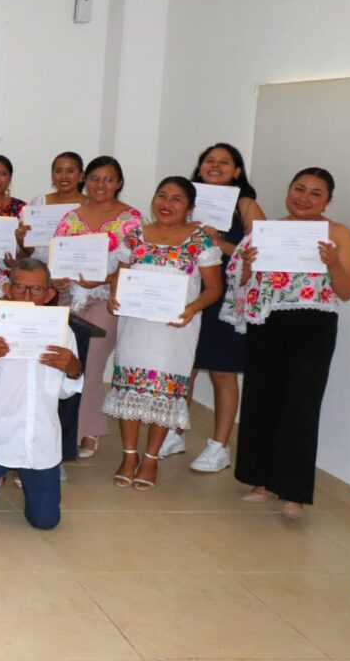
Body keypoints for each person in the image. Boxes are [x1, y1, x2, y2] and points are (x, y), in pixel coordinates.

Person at [223, 167, 350, 518]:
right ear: (288, 190)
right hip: (266, 320)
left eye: (315, 193)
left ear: (328, 200)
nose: (305, 197)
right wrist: (248, 266)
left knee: (302, 404)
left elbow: (347, 291)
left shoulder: (338, 233)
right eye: (299, 188)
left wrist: (331, 265)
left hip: (314, 323)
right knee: (261, 399)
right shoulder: (266, 231)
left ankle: (294, 491)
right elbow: (240, 282)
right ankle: (260, 480)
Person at [105, 177, 222, 491]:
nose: (166, 204)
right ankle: (129, 456)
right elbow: (121, 273)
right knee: (129, 387)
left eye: (176, 199)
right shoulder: (134, 236)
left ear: (189, 207)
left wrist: (193, 307)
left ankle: (151, 458)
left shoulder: (201, 242)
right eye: (161, 196)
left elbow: (214, 288)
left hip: (176, 328)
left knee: (164, 393)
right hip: (136, 325)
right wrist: (115, 294)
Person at [0, 259, 83, 529]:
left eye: (36, 289)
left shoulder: (64, 333)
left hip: (40, 442)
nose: (27, 296)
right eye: (20, 287)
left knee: (46, 521)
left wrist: (74, 370)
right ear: (7, 289)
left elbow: (63, 393)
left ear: (50, 294)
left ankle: (30, 481)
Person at [182, 143, 266, 472]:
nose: (215, 166)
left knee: (222, 372)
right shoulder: (185, 199)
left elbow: (258, 256)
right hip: (188, 292)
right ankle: (174, 431)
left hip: (228, 298)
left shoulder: (245, 205)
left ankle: (219, 445)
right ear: (200, 166)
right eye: (209, 160)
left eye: (224, 162)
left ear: (237, 171)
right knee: (183, 367)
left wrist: (216, 240)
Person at [52, 156, 143, 459]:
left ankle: (87, 428)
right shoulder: (70, 217)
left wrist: (102, 279)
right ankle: (60, 422)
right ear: (84, 180)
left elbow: (139, 266)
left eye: (108, 179)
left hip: (108, 298)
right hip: (69, 297)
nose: (100, 185)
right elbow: (57, 260)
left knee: (89, 360)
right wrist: (60, 280)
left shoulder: (131, 219)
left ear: (118, 183)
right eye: (94, 178)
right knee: (62, 357)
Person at [16, 151, 86, 262]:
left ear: (81, 175)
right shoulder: (38, 203)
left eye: (70, 171)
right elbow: (30, 252)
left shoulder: (90, 205)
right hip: (40, 271)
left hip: (77, 270)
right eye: (58, 171)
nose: (63, 176)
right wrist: (21, 239)